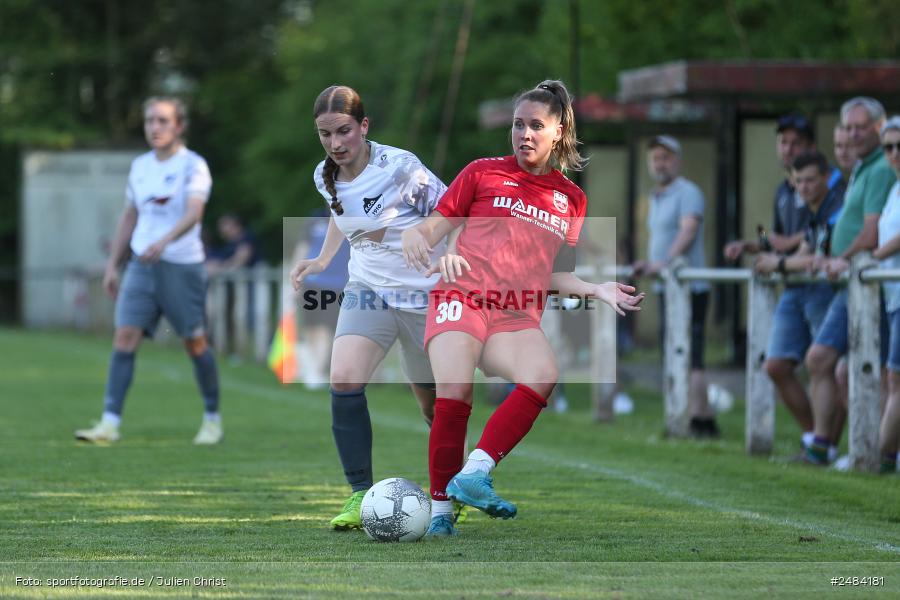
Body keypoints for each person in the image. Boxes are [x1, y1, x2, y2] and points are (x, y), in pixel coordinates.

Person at [401, 80, 644, 537]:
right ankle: (439, 515)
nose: (524, 134)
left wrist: (598, 289)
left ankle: (474, 474)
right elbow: (429, 231)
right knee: (455, 391)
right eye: (518, 125)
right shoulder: (481, 172)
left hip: (514, 315)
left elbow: (556, 275)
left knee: (543, 373)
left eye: (536, 126)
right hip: (461, 298)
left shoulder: (571, 199)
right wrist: (420, 242)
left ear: (559, 132)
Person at [290, 85, 457, 530]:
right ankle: (358, 494)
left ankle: (448, 492)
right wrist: (325, 258)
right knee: (344, 378)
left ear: (364, 126)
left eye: (344, 131)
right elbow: (341, 212)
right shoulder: (322, 173)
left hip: (424, 296)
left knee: (433, 406)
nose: (335, 143)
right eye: (325, 135)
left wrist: (442, 250)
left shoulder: (401, 167)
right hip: (368, 289)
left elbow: (452, 211)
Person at [75, 96, 223, 445]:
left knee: (195, 343)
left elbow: (194, 213)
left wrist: (166, 240)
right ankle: (109, 423)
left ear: (179, 126)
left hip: (182, 265)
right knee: (124, 336)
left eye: (162, 121)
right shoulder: (140, 166)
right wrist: (113, 265)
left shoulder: (193, 165)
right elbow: (130, 216)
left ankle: (212, 419)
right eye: (149, 121)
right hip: (142, 264)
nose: (154, 127)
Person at [804, 97, 896, 465]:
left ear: (879, 125)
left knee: (852, 366)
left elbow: (873, 233)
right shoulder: (864, 167)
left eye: (862, 127)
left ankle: (873, 452)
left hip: (870, 283)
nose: (854, 134)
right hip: (856, 282)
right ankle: (856, 447)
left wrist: (840, 260)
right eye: (849, 127)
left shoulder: (881, 169)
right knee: (841, 367)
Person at [752, 152, 843, 455]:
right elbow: (804, 252)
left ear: (826, 177)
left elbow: (818, 260)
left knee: (828, 366)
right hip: (798, 289)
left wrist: (778, 263)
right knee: (776, 365)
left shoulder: (836, 205)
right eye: (798, 181)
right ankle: (816, 441)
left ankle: (826, 445)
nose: (803, 187)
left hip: (827, 293)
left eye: (810, 180)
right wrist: (779, 260)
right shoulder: (813, 212)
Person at [632, 135, 718, 438]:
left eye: (666, 157)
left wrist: (663, 264)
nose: (660, 163)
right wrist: (652, 264)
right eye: (656, 158)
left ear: (678, 161)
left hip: (690, 287)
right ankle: (701, 418)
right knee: (673, 351)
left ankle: (696, 418)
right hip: (666, 287)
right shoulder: (655, 196)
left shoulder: (688, 192)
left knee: (690, 353)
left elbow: (688, 232)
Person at [724, 114, 817, 262]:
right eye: (783, 142)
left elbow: (830, 224)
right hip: (791, 280)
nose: (788, 150)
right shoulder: (782, 191)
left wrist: (790, 242)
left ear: (811, 147)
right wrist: (745, 244)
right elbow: (775, 240)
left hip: (821, 280)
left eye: (796, 143)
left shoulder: (826, 182)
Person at [293, 209, 350, 389]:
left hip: (336, 284)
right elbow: (302, 249)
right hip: (312, 282)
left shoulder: (351, 217)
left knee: (325, 329)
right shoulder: (314, 219)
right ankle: (313, 369)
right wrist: (296, 275)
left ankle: (317, 372)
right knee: (311, 328)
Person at [871, 116, 900, 474]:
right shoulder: (894, 189)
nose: (894, 153)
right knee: (889, 377)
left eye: (899, 146)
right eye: (888, 147)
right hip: (892, 294)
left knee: (896, 378)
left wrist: (872, 258)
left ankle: (880, 456)